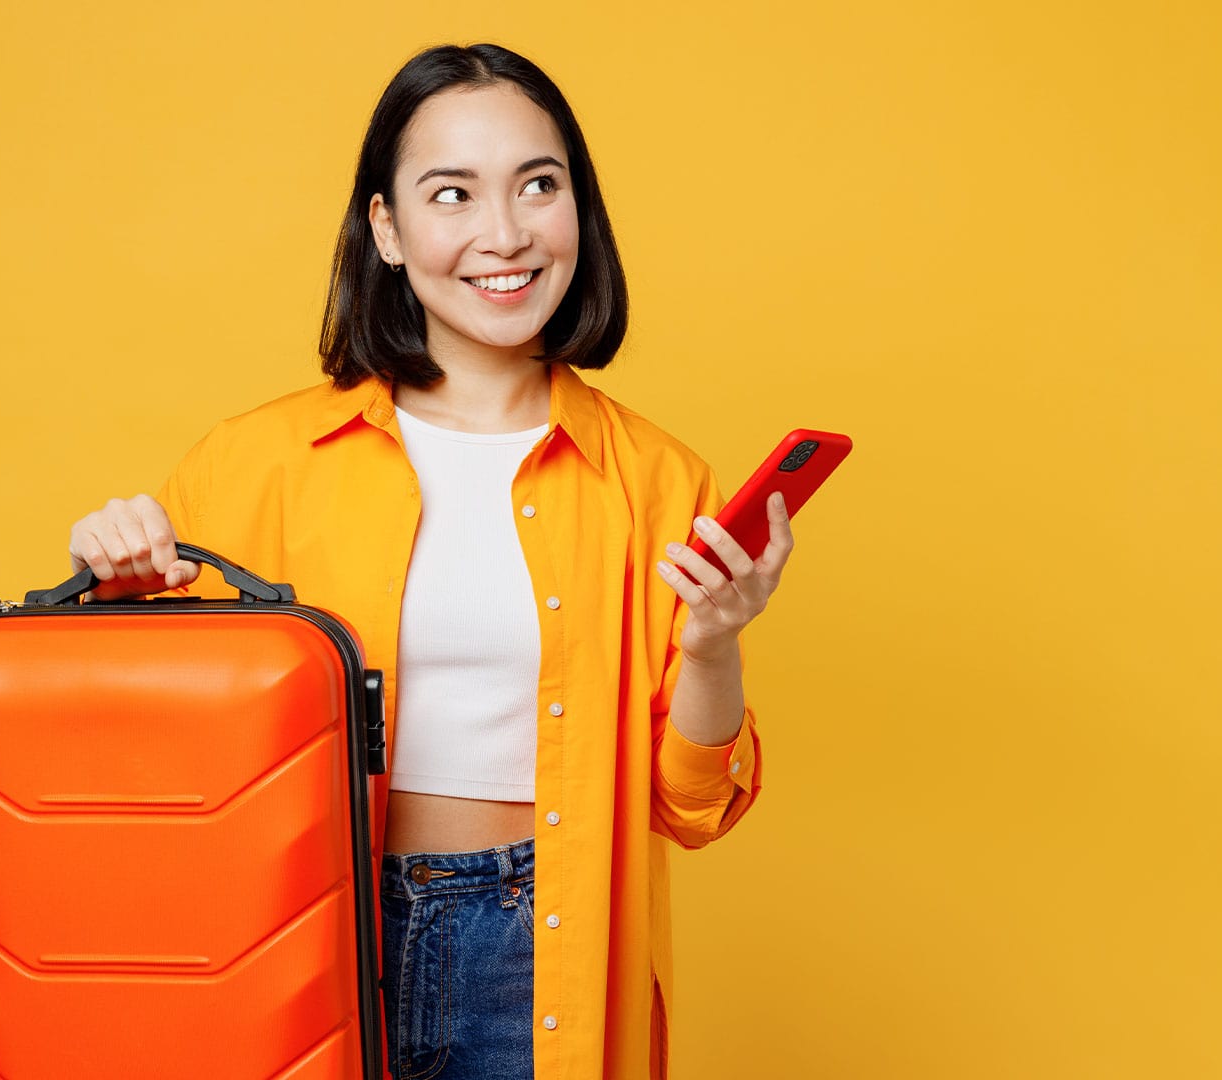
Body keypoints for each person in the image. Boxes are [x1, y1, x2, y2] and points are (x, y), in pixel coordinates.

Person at [66, 43, 790, 1080]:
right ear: (388, 230)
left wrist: (715, 644)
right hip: (296, 936)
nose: (506, 233)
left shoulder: (657, 481)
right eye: (453, 193)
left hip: (534, 950)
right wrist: (115, 591)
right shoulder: (253, 463)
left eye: (538, 185)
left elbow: (693, 806)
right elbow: (143, 765)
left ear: (578, 208)